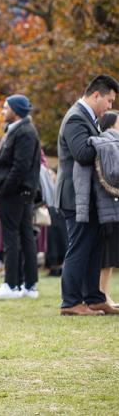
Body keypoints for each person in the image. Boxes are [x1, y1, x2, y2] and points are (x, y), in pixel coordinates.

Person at [56, 74, 119, 316]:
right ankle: (71, 302)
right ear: (96, 95)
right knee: (80, 247)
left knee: (94, 248)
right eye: (109, 101)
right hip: (74, 196)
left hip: (88, 195)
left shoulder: (87, 117)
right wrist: (108, 140)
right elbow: (81, 153)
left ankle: (94, 298)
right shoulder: (75, 118)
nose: (110, 107)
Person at [0, 95, 42, 299]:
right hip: (21, 193)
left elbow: (19, 167)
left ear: (16, 110)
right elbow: (2, 163)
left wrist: (3, 191)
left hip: (14, 194)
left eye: (6, 108)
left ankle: (11, 285)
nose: (2, 111)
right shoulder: (21, 130)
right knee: (25, 237)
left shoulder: (23, 132)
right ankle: (29, 286)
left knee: (11, 239)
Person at [74, 110, 119, 312]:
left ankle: (104, 294)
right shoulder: (107, 142)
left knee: (108, 253)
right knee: (105, 253)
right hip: (107, 203)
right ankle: (102, 293)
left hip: (110, 203)